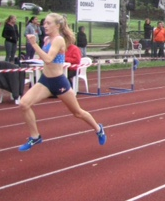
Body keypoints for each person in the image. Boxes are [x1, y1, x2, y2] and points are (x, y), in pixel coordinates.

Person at [17, 13, 106, 151]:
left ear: (57, 25)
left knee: (77, 113)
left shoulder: (58, 40)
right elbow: (44, 58)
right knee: (24, 104)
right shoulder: (46, 39)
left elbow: (48, 59)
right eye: (44, 23)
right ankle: (35, 137)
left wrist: (34, 44)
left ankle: (98, 128)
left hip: (59, 82)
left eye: (48, 23)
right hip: (45, 81)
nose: (44, 25)